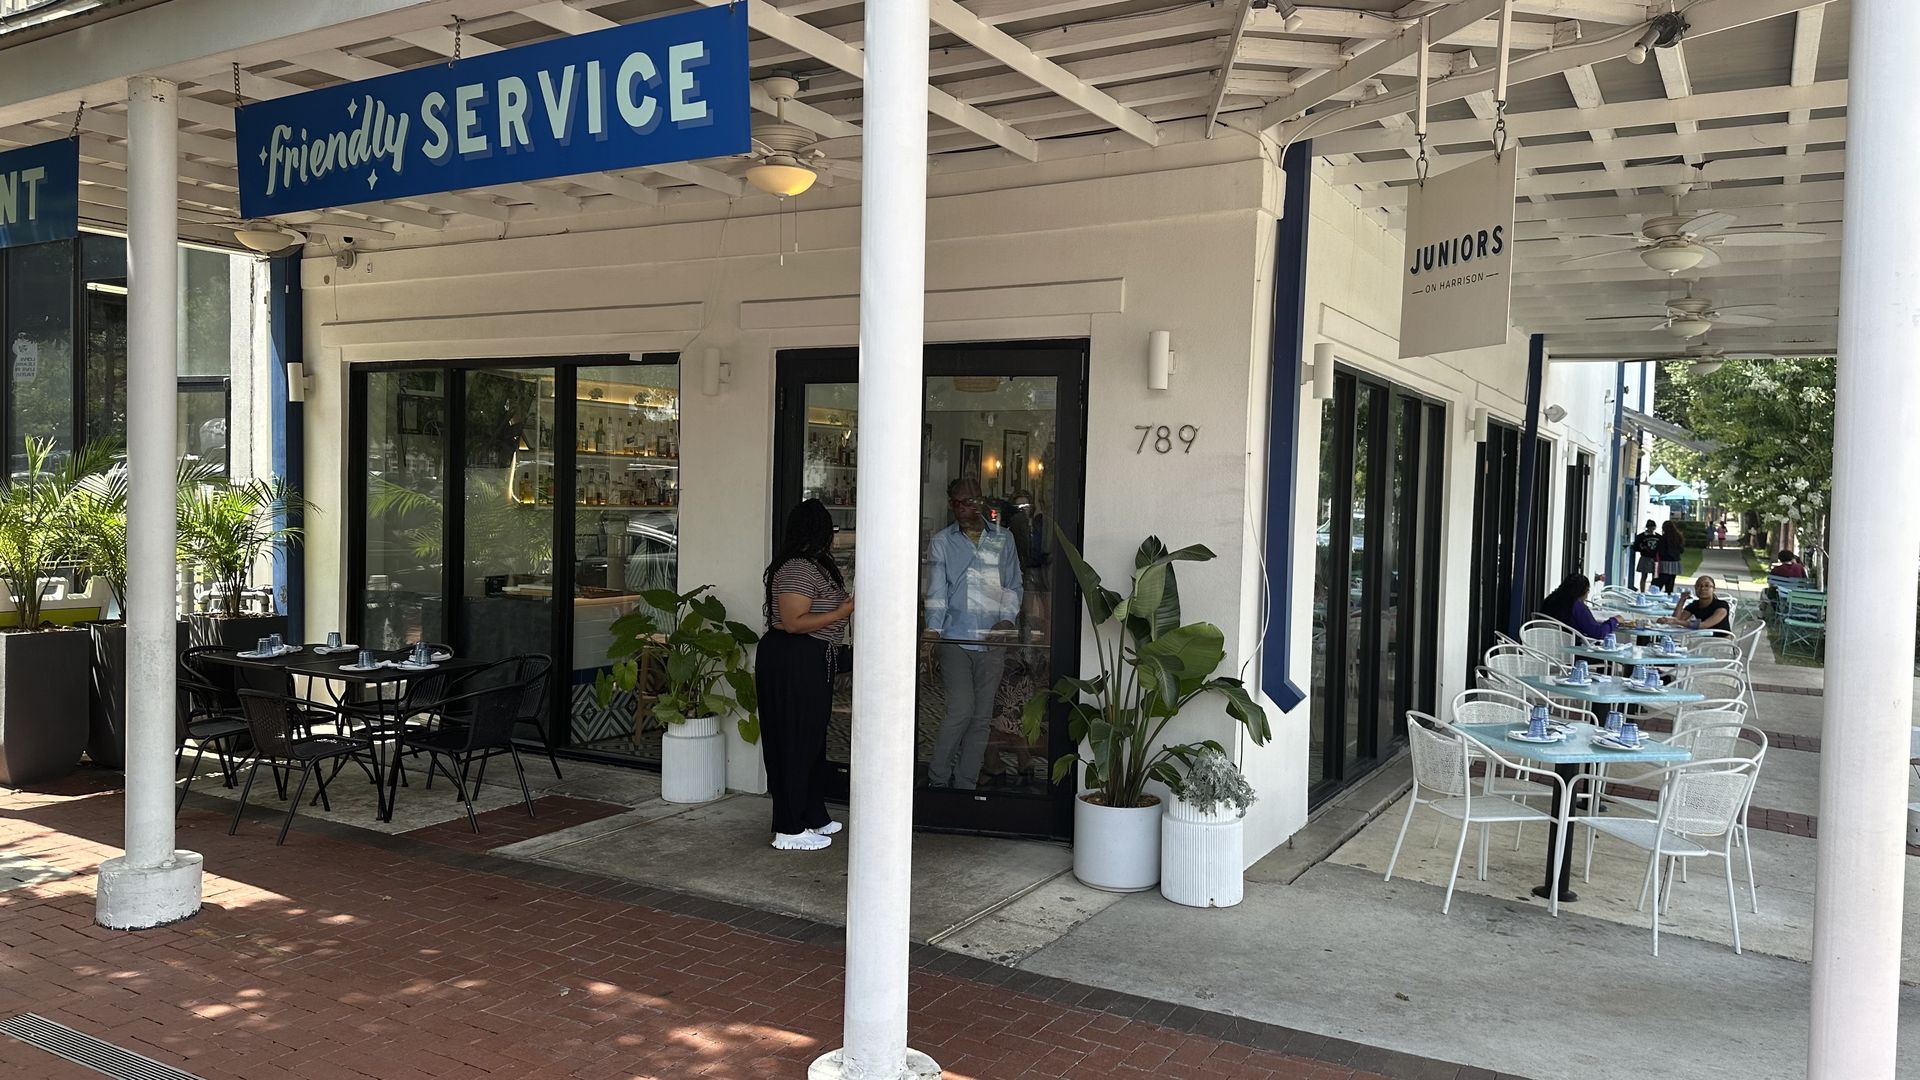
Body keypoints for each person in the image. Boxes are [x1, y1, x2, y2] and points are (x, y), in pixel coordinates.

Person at [756, 499, 853, 852]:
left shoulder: (815, 566)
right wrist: (843, 610)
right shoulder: (797, 568)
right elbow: (794, 623)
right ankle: (788, 827)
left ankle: (813, 814)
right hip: (793, 660)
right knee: (793, 740)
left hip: (813, 658)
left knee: (811, 740)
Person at [923, 478, 1023, 790]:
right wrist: (932, 635)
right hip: (955, 637)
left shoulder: (1002, 540)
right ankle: (938, 780)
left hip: (991, 641)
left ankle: (966, 784)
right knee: (961, 710)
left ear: (982, 501)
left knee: (981, 718)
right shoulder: (942, 542)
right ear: (951, 504)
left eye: (972, 500)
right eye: (960, 502)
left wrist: (1006, 621)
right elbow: (937, 593)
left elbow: (1012, 585)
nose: (967, 507)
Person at [1539, 573, 1623, 642]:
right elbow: (1598, 633)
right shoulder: (1575, 606)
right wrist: (1614, 620)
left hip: (1545, 650)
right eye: (1588, 590)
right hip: (1571, 652)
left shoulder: (1551, 599)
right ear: (1583, 591)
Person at [1664, 575, 1730, 632]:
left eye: (1707, 586)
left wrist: (1676, 621)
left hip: (1722, 641)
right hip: (1700, 638)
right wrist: (1682, 600)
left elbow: (1704, 625)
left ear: (1714, 589)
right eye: (1699, 586)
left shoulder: (1722, 606)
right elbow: (1676, 620)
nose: (1702, 588)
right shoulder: (1695, 605)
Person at [1655, 520, 1686, 593]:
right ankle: (1668, 596)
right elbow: (1681, 550)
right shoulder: (1678, 537)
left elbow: (1661, 551)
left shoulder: (1663, 538)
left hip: (1665, 562)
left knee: (1659, 583)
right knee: (1671, 583)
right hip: (1675, 562)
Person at [1631, 520, 1661, 591]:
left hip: (1655, 559)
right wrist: (1641, 548)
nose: (1651, 529)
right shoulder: (1641, 536)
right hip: (1645, 557)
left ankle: (1653, 591)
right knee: (1644, 576)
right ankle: (1642, 592)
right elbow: (1635, 547)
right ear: (1647, 527)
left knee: (1655, 577)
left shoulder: (1659, 537)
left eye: (1653, 527)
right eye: (1650, 527)